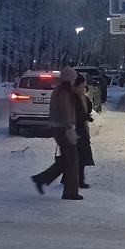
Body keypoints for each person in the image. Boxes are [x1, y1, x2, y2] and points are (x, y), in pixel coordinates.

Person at [30, 65, 82, 200]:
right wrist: (70, 128)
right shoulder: (64, 93)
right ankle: (70, 192)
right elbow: (66, 112)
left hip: (59, 128)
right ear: (69, 79)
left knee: (66, 159)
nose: (74, 81)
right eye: (73, 79)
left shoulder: (60, 90)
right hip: (64, 128)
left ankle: (41, 178)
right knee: (72, 160)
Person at [73, 73, 95, 189]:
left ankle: (75, 179)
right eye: (83, 84)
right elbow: (72, 115)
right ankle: (78, 180)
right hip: (75, 131)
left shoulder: (83, 97)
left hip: (81, 130)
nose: (85, 87)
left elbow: (88, 108)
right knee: (78, 157)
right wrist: (84, 117)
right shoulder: (74, 97)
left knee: (78, 157)